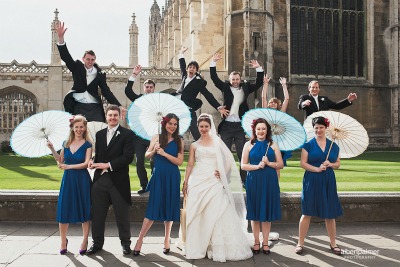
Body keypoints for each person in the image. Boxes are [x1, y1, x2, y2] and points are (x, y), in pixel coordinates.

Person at [181, 113, 253, 262]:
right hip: (198, 179)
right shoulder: (194, 145)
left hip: (213, 180)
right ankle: (199, 243)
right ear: (198, 127)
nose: (204, 129)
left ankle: (215, 244)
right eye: (201, 126)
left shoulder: (217, 141)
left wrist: (222, 171)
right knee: (196, 211)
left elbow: (229, 158)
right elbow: (189, 164)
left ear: (210, 126)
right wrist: (186, 181)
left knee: (218, 209)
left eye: (206, 126)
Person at [132, 113, 184, 256]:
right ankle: (140, 239)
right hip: (159, 175)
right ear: (164, 123)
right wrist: (154, 150)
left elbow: (179, 162)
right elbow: (146, 155)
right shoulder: (156, 137)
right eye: (170, 123)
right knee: (153, 207)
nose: (172, 126)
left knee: (169, 207)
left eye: (175, 124)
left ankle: (167, 240)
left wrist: (165, 154)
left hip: (172, 176)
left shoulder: (180, 140)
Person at [87, 105, 135, 255]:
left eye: (115, 115)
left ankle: (126, 244)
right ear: (106, 117)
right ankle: (97, 243)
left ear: (120, 116)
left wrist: (108, 165)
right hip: (100, 180)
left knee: (122, 215)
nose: (113, 118)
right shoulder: (100, 134)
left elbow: (128, 157)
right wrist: (92, 160)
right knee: (97, 215)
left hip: (118, 181)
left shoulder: (128, 134)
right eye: (110, 115)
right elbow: (100, 154)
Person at [210, 53, 264, 186]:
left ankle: (244, 180)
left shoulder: (245, 88)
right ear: (229, 80)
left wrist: (259, 69)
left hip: (240, 126)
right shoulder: (225, 87)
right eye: (233, 79)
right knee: (224, 155)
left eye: (237, 79)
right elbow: (214, 78)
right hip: (227, 125)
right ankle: (224, 179)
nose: (235, 81)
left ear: (240, 79)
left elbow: (258, 83)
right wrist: (213, 62)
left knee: (242, 154)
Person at [55, 21, 127, 122]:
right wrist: (61, 38)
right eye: (88, 59)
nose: (90, 62)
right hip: (78, 105)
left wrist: (119, 106)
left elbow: (106, 91)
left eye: (92, 60)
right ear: (83, 59)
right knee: (78, 129)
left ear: (95, 60)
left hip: (94, 107)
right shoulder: (77, 67)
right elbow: (66, 57)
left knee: (98, 130)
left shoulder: (100, 73)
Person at [294, 116, 343, 255]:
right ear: (313, 129)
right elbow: (303, 163)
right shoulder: (308, 144)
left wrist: (331, 164)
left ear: (326, 128)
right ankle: (300, 243)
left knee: (330, 213)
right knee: (307, 212)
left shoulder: (334, 146)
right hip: (312, 179)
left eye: (321, 127)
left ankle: (333, 244)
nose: (319, 130)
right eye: (316, 128)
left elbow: (338, 164)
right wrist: (316, 169)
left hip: (328, 180)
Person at [47, 115, 92, 255]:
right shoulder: (65, 143)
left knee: (85, 210)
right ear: (72, 128)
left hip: (82, 180)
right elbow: (60, 160)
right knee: (63, 209)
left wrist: (69, 167)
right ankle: (62, 241)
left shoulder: (88, 144)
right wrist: (52, 149)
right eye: (76, 127)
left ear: (85, 128)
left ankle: (85, 240)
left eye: (81, 127)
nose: (79, 129)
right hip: (68, 181)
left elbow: (86, 164)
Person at [241, 118, 283, 255]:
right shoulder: (248, 145)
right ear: (254, 130)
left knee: (266, 213)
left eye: (263, 129)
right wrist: (257, 166)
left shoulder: (273, 145)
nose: (261, 131)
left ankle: (265, 242)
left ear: (267, 130)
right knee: (255, 213)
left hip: (269, 181)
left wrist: (269, 163)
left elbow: (280, 164)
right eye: (258, 129)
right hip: (254, 181)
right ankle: (256, 242)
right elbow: (243, 165)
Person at [173, 47, 228, 140]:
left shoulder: (199, 83)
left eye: (194, 68)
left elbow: (208, 95)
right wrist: (181, 53)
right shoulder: (184, 76)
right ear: (187, 69)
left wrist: (219, 107)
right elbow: (182, 65)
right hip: (177, 105)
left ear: (196, 71)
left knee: (194, 128)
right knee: (171, 126)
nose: (191, 69)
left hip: (188, 108)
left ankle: (202, 144)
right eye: (190, 67)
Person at [124, 65, 155, 194]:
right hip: (139, 136)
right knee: (140, 162)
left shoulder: (158, 101)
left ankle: (154, 185)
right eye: (146, 87)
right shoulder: (138, 99)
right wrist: (134, 75)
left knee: (155, 162)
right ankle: (144, 185)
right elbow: (127, 91)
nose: (148, 89)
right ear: (144, 88)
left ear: (154, 89)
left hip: (154, 136)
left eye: (151, 87)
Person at [262, 76, 292, 168]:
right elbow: (263, 97)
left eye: (275, 102)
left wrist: (284, 85)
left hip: (278, 138)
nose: (273, 103)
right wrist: (265, 84)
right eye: (271, 102)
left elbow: (286, 99)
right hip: (268, 137)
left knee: (277, 163)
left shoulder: (281, 113)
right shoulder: (266, 112)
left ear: (278, 104)